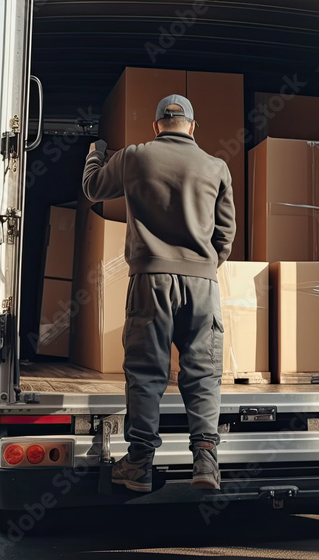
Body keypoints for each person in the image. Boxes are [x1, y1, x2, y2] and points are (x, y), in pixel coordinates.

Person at [81, 94, 236, 492]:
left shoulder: (135, 156)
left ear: (156, 126)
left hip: (151, 281)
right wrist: (203, 265)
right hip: (202, 285)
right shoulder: (216, 167)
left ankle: (139, 464)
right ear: (192, 126)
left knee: (147, 373)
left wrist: (95, 153)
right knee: (203, 373)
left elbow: (93, 188)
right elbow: (225, 233)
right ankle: (205, 460)